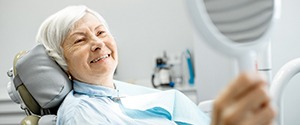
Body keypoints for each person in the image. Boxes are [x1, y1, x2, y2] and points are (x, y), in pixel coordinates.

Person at [36, 5, 275, 125]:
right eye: (80, 40)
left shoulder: (114, 92)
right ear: (62, 61)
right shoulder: (82, 114)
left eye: (101, 32)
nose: (98, 43)